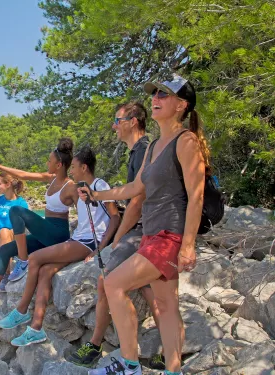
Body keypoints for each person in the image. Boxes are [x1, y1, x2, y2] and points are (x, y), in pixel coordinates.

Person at [80, 74, 207, 375]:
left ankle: (129, 364)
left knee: (113, 283)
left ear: (181, 105)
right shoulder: (153, 147)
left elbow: (197, 195)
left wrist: (188, 245)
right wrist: (96, 194)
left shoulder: (186, 141)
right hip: (152, 234)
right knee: (165, 306)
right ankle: (173, 370)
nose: (156, 99)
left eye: (164, 95)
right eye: (155, 94)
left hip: (169, 236)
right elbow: (134, 189)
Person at [68, 102, 164, 370]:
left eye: (117, 119)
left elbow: (136, 202)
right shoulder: (137, 151)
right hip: (148, 230)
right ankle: (165, 350)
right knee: (148, 289)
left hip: (145, 230)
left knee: (108, 283)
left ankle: (113, 353)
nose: (113, 125)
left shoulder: (143, 150)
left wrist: (118, 240)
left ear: (133, 121)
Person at [0, 146, 121, 346]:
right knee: (45, 271)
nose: (71, 170)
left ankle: (20, 311)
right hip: (77, 239)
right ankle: (36, 329)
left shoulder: (100, 184)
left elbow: (114, 217)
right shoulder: (80, 188)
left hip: (89, 242)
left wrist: (101, 248)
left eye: (74, 167)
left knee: (35, 258)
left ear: (84, 167)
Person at [0, 138, 76, 316]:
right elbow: (22, 174)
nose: (47, 163)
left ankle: (23, 261)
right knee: (6, 249)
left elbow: (88, 211)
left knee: (17, 211)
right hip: (45, 234)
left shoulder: (70, 186)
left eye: (50, 161)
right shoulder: (51, 178)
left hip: (57, 234)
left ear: (59, 164)